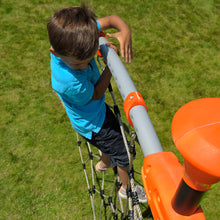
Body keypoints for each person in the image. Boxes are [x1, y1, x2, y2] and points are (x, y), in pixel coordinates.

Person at [47, 4, 147, 203]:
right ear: (55, 53)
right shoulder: (68, 82)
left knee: (107, 147)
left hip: (90, 115)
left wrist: (125, 30)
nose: (84, 66)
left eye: (89, 57)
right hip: (94, 124)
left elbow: (111, 19)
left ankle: (104, 163)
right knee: (125, 153)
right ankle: (126, 189)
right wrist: (110, 65)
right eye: (77, 64)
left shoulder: (77, 35)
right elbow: (96, 92)